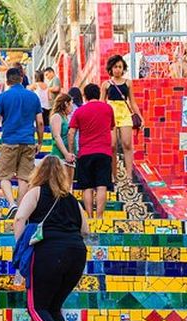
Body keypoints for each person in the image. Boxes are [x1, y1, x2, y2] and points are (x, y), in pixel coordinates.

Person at [13, 155, 89, 321]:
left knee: (36, 307)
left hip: (48, 253)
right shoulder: (73, 200)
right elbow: (85, 230)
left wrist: (21, 246)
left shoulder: (36, 192)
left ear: (40, 173)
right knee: (54, 306)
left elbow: (19, 219)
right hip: (76, 254)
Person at [0, 68, 44, 217]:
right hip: (29, 141)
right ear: (22, 78)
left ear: (7, 80)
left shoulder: (3, 97)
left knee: (4, 176)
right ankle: (20, 208)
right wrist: (40, 142)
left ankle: (12, 204)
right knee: (24, 177)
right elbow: (40, 122)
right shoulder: (33, 97)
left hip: (9, 141)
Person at [67, 83, 115, 219]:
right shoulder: (108, 109)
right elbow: (112, 128)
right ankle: (99, 218)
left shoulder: (80, 111)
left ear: (85, 96)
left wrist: (72, 151)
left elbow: (71, 133)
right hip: (104, 152)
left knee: (86, 186)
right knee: (102, 185)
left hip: (85, 153)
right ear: (99, 94)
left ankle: (89, 216)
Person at [102, 54, 143, 182]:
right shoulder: (106, 84)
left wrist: (140, 117)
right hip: (110, 114)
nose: (118, 69)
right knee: (112, 145)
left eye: (120, 67)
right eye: (115, 67)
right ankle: (113, 175)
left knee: (127, 143)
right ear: (111, 69)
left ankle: (129, 175)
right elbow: (101, 102)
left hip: (125, 113)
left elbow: (133, 102)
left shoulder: (128, 83)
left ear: (123, 68)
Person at [50, 93, 75, 162]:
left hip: (66, 156)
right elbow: (57, 136)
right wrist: (66, 154)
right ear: (66, 104)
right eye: (71, 103)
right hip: (59, 156)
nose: (72, 107)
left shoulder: (66, 118)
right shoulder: (57, 116)